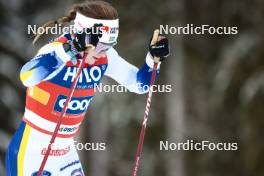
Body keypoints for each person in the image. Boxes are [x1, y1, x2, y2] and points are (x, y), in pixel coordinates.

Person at [5, 1, 170, 175]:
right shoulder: (58, 51)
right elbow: (27, 76)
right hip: (32, 153)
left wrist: (153, 60)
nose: (103, 52)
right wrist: (72, 48)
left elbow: (140, 84)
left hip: (65, 154)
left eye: (110, 45)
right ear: (82, 36)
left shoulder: (105, 57)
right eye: (100, 45)